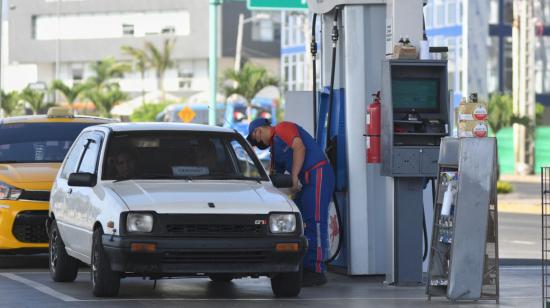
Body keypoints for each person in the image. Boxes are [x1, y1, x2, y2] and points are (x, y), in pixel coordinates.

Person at [247, 118, 335, 287]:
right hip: (306, 183)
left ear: (257, 131)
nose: (259, 144)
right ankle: (304, 265)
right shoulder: (274, 151)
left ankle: (316, 271)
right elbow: (272, 178)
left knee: (315, 221)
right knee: (299, 222)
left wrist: (293, 176)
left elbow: (299, 147)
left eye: (256, 140)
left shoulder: (282, 128)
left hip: (318, 174)